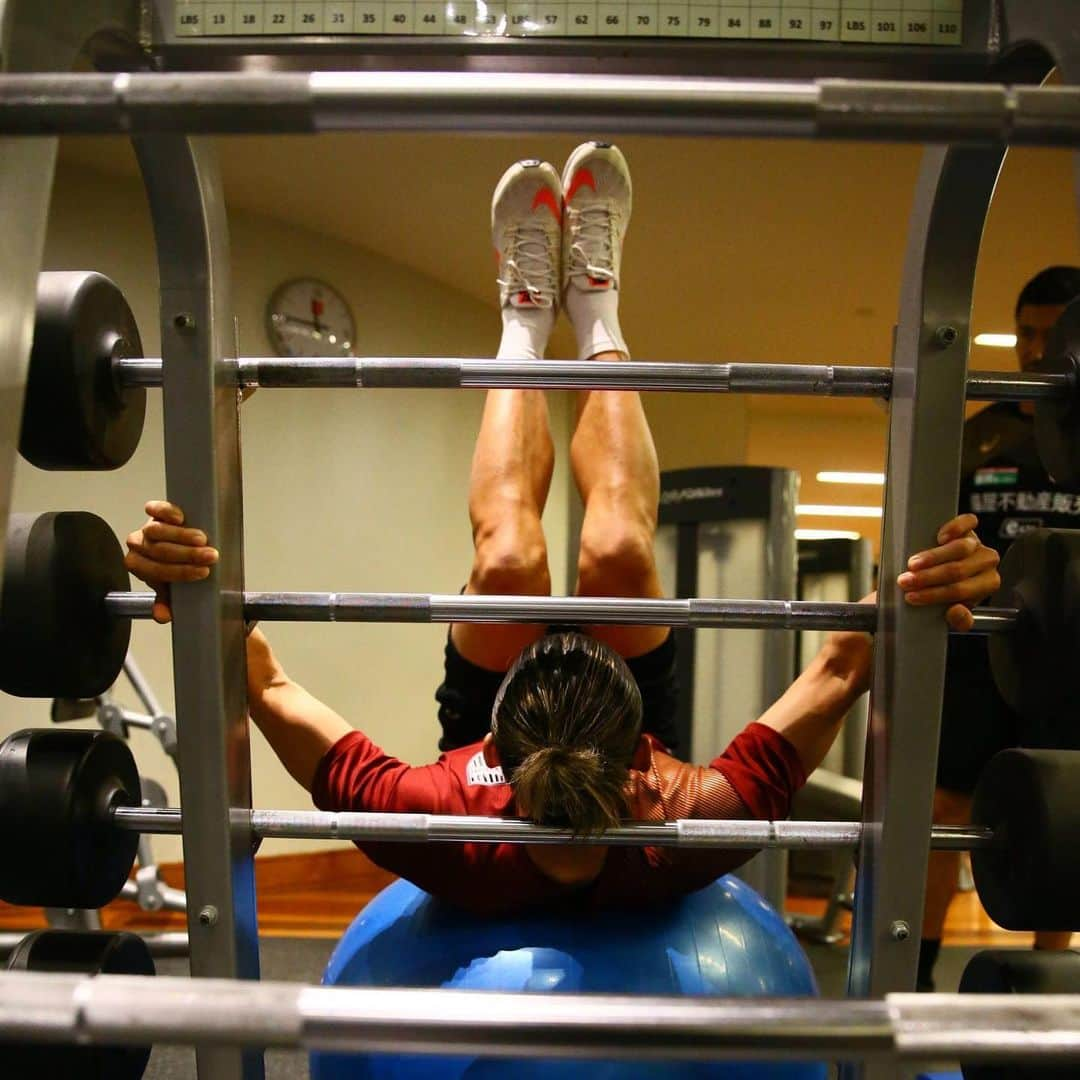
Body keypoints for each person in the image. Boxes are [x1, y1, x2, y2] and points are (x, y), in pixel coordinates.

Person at [124, 143, 1001, 916]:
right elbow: (851, 659)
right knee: (616, 549)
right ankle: (597, 314)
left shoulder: (440, 824)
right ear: (646, 766)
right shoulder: (689, 822)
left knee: (508, 559)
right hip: (592, 753)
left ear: (494, 756)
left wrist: (180, 574)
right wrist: (937, 581)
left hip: (515, 741)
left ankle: (522, 318)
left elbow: (264, 688)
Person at [919, 265, 1080, 991]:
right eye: (1027, 333)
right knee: (944, 812)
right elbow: (937, 538)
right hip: (980, 658)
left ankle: (1052, 991)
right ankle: (913, 982)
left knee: (1065, 809)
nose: (1036, 350)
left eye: (1053, 335)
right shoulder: (976, 438)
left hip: (1070, 661)